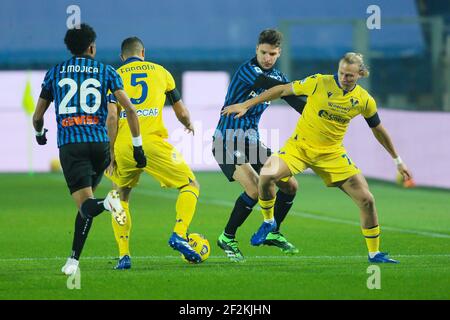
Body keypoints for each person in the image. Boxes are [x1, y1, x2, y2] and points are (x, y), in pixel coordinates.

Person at [222, 52, 413, 263]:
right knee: (267, 175)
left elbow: (378, 130)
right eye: (341, 73)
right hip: (300, 147)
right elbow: (281, 89)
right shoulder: (319, 82)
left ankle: (374, 253)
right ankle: (269, 224)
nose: (343, 78)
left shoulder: (364, 100)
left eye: (349, 75)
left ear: (360, 74)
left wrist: (398, 160)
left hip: (332, 154)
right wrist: (245, 105)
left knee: (367, 200)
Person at [32, 24, 146, 276]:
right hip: (100, 145)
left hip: (72, 145)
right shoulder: (107, 71)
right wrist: (138, 146)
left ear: (70, 48)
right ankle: (73, 259)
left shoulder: (55, 72)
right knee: (87, 203)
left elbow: (38, 116)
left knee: (87, 204)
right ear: (92, 47)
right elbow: (129, 109)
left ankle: (109, 203)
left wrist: (40, 135)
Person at [105, 36, 202, 268]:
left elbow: (111, 117)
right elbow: (180, 110)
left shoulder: (114, 76)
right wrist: (188, 123)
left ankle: (123, 255)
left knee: (120, 197)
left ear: (122, 56)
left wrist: (110, 152)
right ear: (143, 52)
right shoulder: (162, 72)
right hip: (151, 143)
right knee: (190, 185)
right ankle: (179, 233)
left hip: (123, 145)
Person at [213, 29, 307, 262]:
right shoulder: (248, 71)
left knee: (290, 186)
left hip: (252, 141)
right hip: (226, 139)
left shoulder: (279, 77)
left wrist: (321, 114)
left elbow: (296, 103)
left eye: (272, 54)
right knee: (255, 189)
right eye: (263, 52)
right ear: (257, 49)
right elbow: (268, 84)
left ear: (279, 53)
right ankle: (227, 237)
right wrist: (303, 87)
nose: (267, 58)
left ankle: (272, 232)